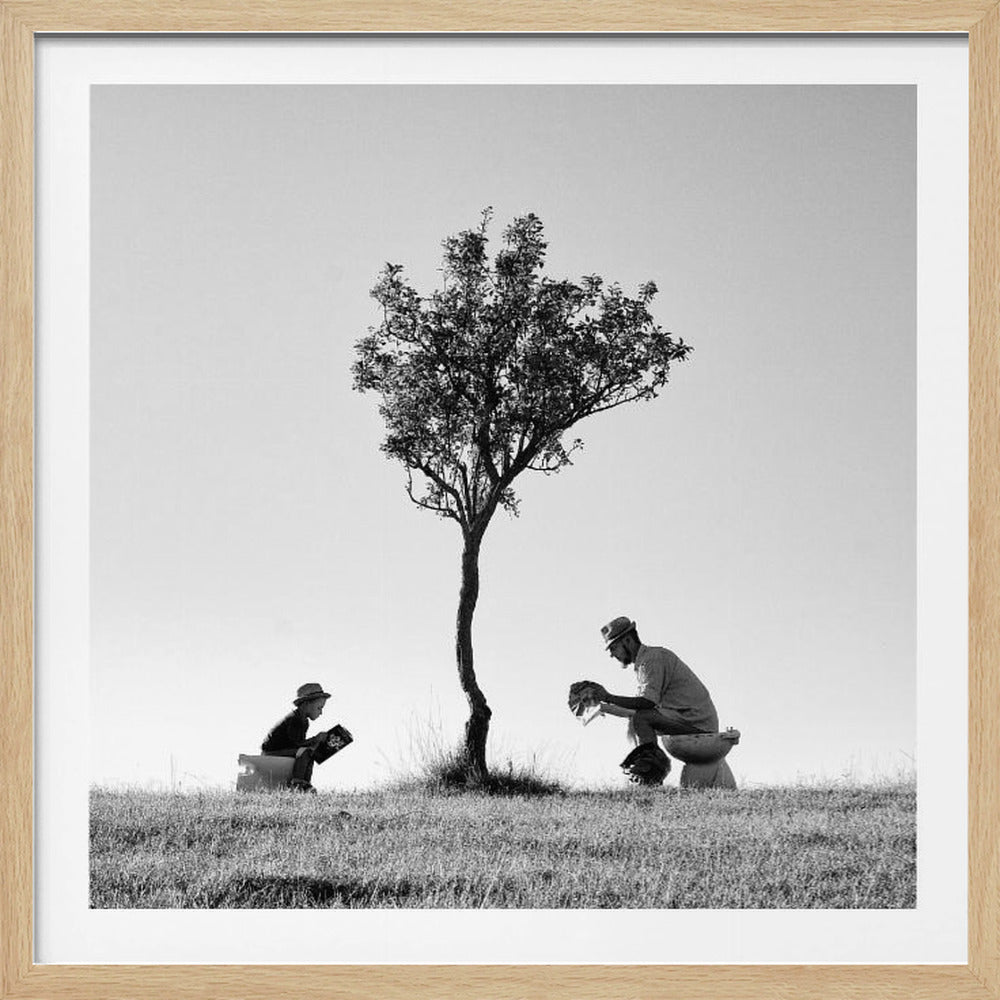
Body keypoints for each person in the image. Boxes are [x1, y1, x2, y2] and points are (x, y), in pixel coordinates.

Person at [589, 616, 720, 747]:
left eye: (614, 648)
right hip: (692, 721)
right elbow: (635, 709)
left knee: (641, 718)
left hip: (699, 724)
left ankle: (649, 763)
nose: (612, 654)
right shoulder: (643, 663)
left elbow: (647, 703)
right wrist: (601, 705)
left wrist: (608, 697)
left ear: (628, 640)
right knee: (636, 719)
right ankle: (642, 761)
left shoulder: (651, 660)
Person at [260, 682, 333, 793]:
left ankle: (305, 783)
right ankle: (297, 783)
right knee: (305, 752)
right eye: (319, 708)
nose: (321, 712)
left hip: (284, 750)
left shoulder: (303, 721)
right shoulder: (295, 719)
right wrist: (315, 739)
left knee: (310, 753)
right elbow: (297, 745)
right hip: (271, 752)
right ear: (307, 704)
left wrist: (315, 744)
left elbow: (299, 744)